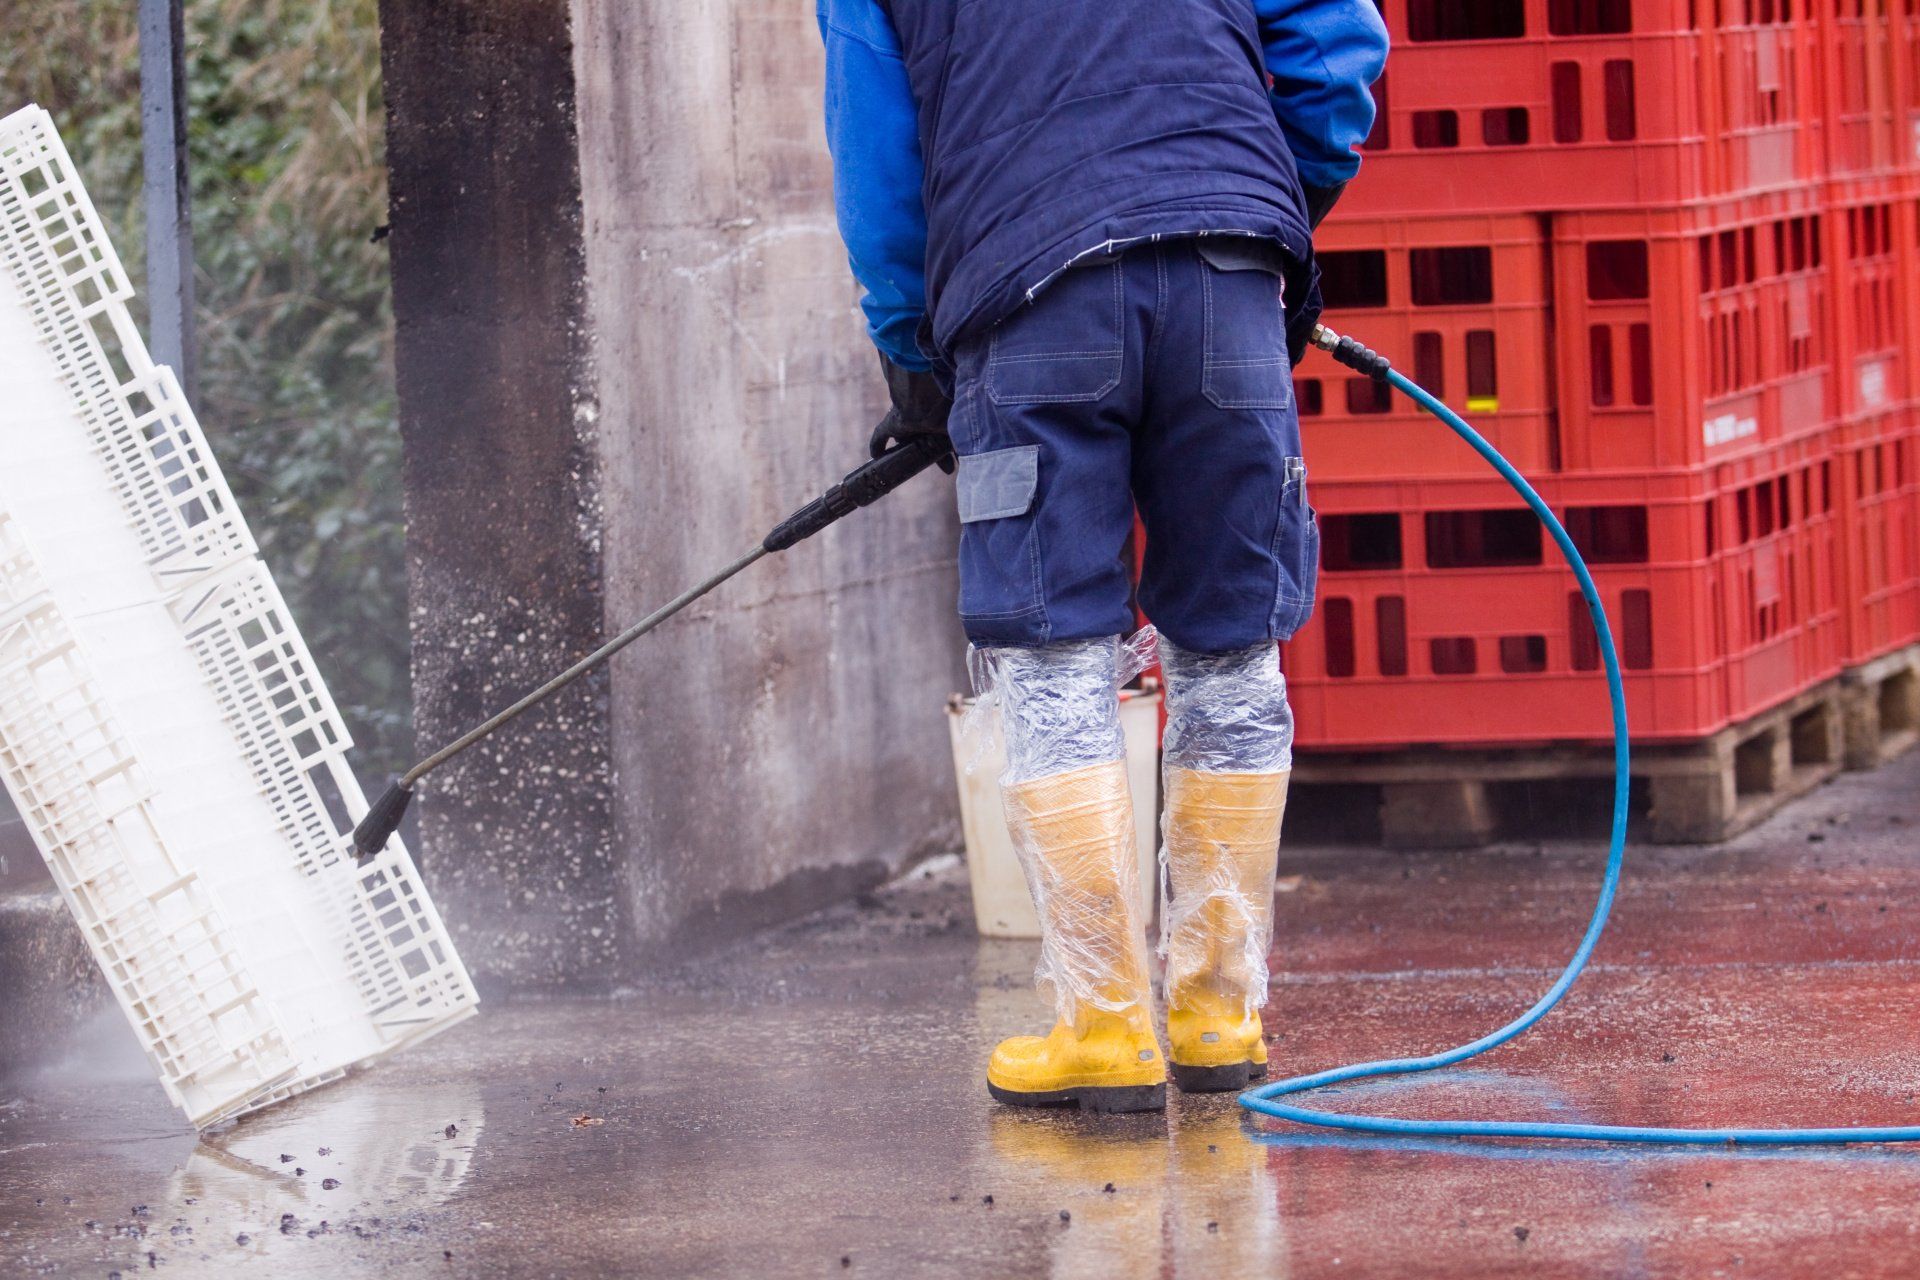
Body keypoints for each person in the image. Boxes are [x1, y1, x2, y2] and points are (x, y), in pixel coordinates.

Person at [817, 0, 1388, 1113]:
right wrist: (1263, 214)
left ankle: (1106, 1023)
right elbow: (1334, 55)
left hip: (1028, 293)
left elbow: (878, 158)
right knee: (1231, 647)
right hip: (1226, 270)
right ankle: (1220, 1011)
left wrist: (911, 348)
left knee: (1051, 653)